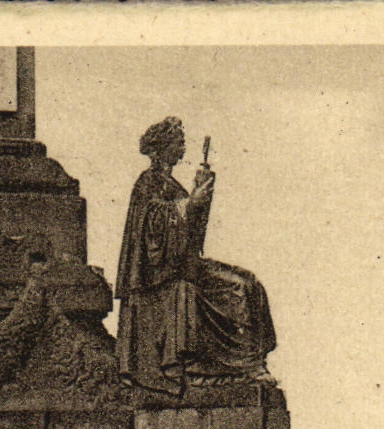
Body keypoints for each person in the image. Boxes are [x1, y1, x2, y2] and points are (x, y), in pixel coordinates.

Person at [114, 117, 277, 395]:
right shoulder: (148, 182)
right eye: (177, 142)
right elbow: (154, 229)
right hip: (163, 276)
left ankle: (252, 361)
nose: (182, 147)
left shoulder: (170, 184)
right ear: (162, 147)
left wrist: (200, 198)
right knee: (237, 287)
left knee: (249, 281)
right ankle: (242, 365)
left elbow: (191, 236)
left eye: (182, 142)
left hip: (184, 265)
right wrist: (191, 202)